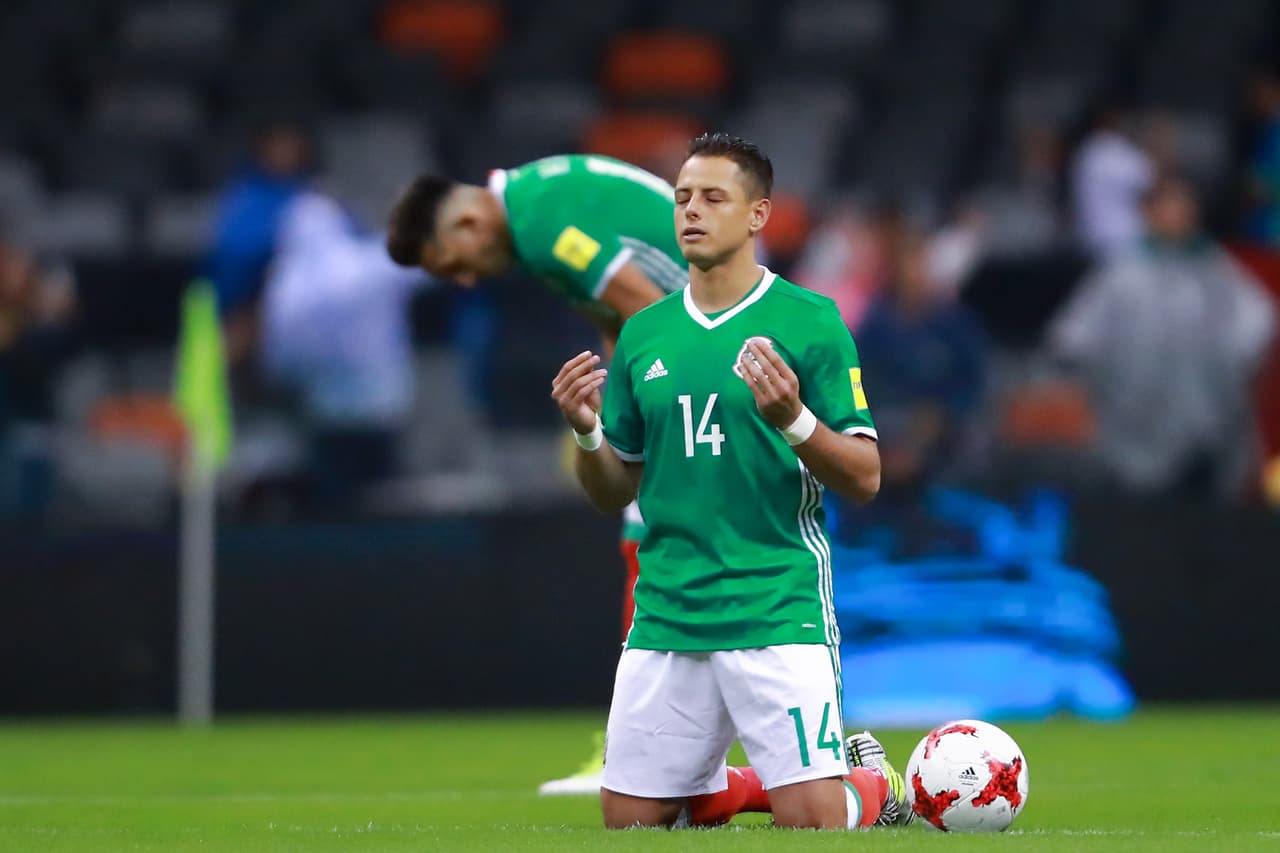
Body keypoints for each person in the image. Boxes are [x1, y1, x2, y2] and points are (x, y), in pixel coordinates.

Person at [550, 132, 893, 830]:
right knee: (632, 826)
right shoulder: (642, 334)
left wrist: (794, 419)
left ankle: (874, 785)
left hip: (773, 602)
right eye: (681, 198)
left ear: (758, 215)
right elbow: (615, 489)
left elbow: (865, 476)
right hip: (669, 611)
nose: (690, 212)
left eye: (712, 197)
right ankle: (723, 783)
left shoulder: (809, 321)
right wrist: (587, 430)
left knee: (813, 823)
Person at [385, 153, 685, 794]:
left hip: (706, 367)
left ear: (466, 220)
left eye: (454, 264)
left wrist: (658, 411)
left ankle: (645, 758)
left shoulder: (543, 223)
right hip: (701, 360)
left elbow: (648, 311)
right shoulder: (538, 207)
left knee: (657, 548)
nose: (465, 281)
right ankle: (645, 751)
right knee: (644, 543)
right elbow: (618, 316)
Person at [1051, 176, 1276, 499]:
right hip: (1128, 425)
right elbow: (1074, 335)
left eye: (1183, 206)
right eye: (1167, 206)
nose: (1177, 214)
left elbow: (1258, 321)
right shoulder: (1122, 271)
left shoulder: (1215, 268)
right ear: (1149, 214)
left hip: (1205, 428)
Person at [262, 192, 429, 508]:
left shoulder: (285, 288)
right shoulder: (369, 263)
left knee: (338, 513)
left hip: (327, 418)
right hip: (382, 413)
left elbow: (281, 365)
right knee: (389, 512)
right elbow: (426, 265)